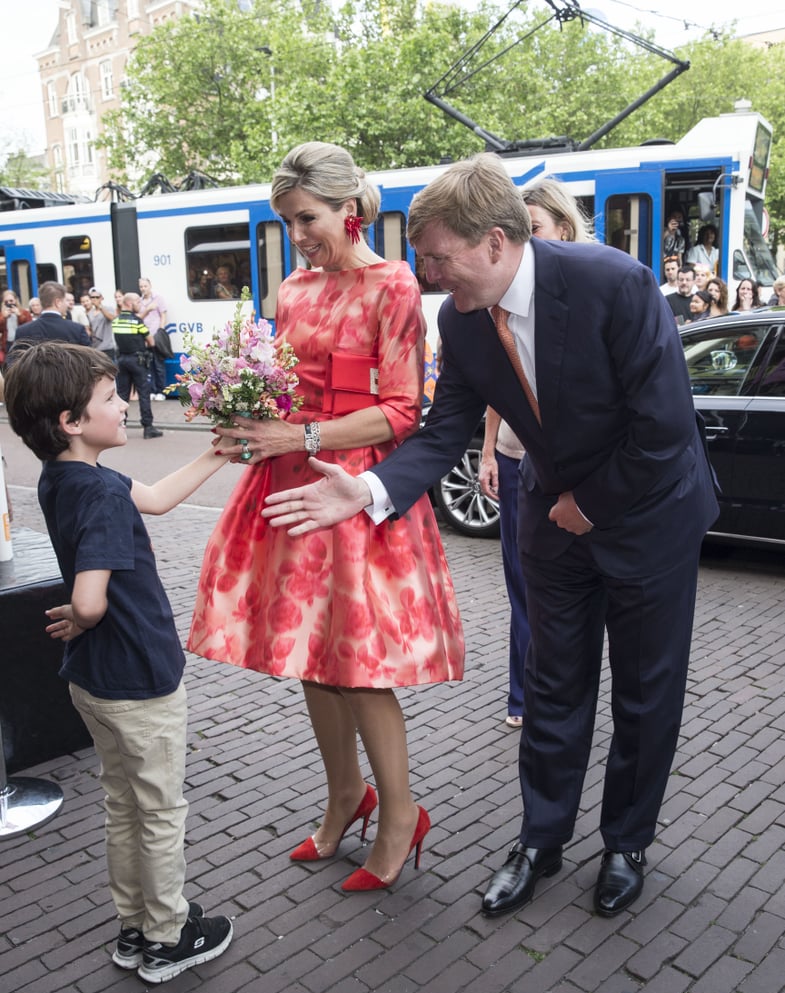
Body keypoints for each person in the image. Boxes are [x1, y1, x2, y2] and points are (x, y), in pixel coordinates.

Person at [263, 151, 719, 919]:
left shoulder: (614, 284)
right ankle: (540, 840)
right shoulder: (462, 319)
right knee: (551, 687)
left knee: (645, 695)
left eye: (439, 258)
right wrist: (367, 490)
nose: (432, 276)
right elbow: (442, 431)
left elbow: (664, 429)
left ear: (497, 244)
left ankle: (624, 844)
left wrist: (590, 504)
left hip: (649, 516)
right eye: (422, 260)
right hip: (553, 522)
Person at [189, 142, 464, 891]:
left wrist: (300, 434)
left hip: (354, 490)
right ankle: (347, 796)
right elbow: (282, 388)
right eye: (287, 222)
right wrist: (245, 417)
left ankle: (400, 812)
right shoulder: (293, 290)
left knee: (359, 666)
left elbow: (404, 412)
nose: (298, 235)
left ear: (350, 209)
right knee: (312, 657)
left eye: (306, 219)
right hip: (287, 479)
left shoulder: (395, 286)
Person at [2, 342, 233, 984]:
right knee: (159, 811)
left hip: (94, 681)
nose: (125, 401)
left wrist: (217, 453)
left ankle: (134, 927)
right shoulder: (101, 493)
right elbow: (90, 598)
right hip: (137, 677)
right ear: (73, 422)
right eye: (110, 399)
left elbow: (155, 498)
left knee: (122, 805)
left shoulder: (65, 476)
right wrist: (84, 611)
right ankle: (168, 936)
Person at [479, 177, 594, 729]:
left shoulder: (593, 291)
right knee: (522, 584)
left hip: (578, 473)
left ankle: (568, 694)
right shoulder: (494, 307)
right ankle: (523, 695)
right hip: (514, 458)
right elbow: (500, 387)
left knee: (574, 591)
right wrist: (485, 453)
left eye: (535, 228)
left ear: (563, 230)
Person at [112, 292, 162, 439]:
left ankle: (121, 424)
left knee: (122, 395)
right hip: (138, 361)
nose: (140, 305)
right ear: (129, 304)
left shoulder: (116, 321)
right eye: (138, 303)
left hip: (121, 361)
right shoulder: (137, 322)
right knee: (143, 394)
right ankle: (148, 427)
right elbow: (151, 342)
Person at [9, 281, 90, 363]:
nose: (67, 305)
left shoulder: (23, 331)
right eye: (65, 301)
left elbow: (13, 363)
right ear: (57, 302)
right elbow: (89, 360)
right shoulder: (77, 329)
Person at [138, 277, 168, 399]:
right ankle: (152, 390)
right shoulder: (139, 301)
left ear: (150, 286)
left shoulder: (158, 298)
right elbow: (138, 317)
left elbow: (163, 315)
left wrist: (160, 330)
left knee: (159, 365)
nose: (143, 288)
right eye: (141, 286)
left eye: (145, 286)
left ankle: (161, 391)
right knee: (148, 365)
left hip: (155, 335)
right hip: (144, 336)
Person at [0, 289, 33, 366]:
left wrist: (19, 315)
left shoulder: (24, 312)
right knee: (9, 365)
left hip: (21, 341)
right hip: (8, 343)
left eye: (11, 301)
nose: (9, 303)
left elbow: (29, 326)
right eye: (6, 302)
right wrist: (3, 318)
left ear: (16, 300)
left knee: (22, 363)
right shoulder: (2, 314)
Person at [87, 287, 117, 360]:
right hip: (95, 348)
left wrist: (100, 307)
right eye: (92, 297)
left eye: (97, 297)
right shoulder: (89, 313)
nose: (94, 299)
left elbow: (112, 318)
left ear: (101, 298)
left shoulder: (109, 308)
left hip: (107, 347)